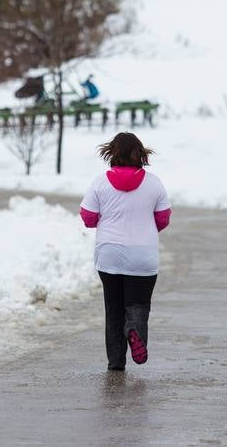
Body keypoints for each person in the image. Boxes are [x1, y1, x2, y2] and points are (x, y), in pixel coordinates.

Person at [79, 131, 171, 371]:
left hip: (109, 254)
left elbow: (88, 217)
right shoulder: (154, 183)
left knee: (114, 308)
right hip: (143, 256)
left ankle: (116, 362)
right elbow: (163, 218)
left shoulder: (100, 182)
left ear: (112, 153)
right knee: (139, 304)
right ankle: (135, 328)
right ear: (140, 154)